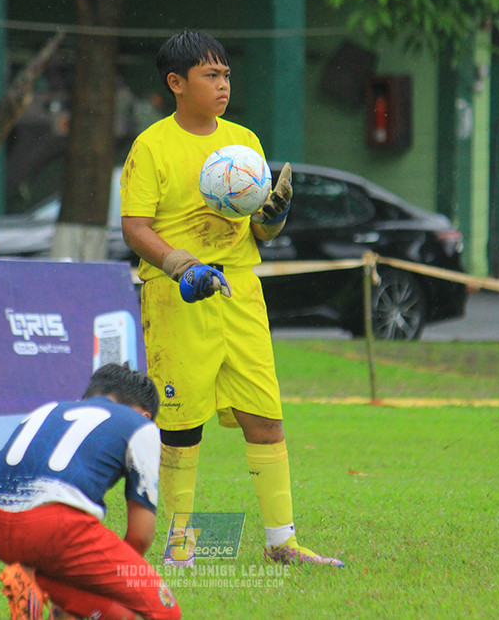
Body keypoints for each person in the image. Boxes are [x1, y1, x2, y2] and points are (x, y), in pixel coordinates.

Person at [119, 30, 344, 568]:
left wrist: (274, 216)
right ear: (177, 83)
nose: (223, 85)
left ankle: (282, 543)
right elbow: (134, 227)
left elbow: (258, 233)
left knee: (265, 417)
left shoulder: (244, 142)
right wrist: (178, 265)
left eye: (226, 75)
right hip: (177, 297)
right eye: (210, 76)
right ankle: (179, 546)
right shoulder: (151, 146)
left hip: (241, 291)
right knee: (180, 424)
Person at [0, 363, 181, 620]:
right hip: (54, 526)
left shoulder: (50, 409)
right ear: (146, 415)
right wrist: (104, 580)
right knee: (165, 611)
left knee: (96, 605)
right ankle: (38, 582)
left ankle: (32, 581)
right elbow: (140, 536)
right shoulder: (141, 426)